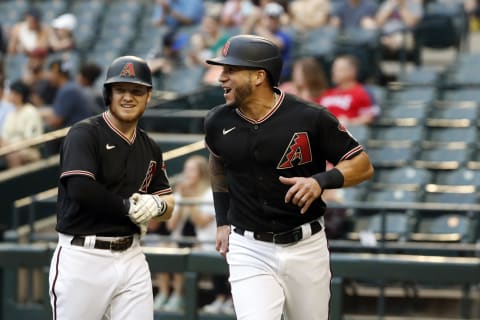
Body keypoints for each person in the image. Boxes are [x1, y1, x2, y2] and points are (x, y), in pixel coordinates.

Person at [204, 34, 374, 320]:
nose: (221, 77)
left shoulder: (310, 117)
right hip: (249, 247)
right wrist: (222, 221)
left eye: (230, 70)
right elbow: (218, 163)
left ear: (259, 76)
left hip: (305, 245)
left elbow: (362, 164)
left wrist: (320, 181)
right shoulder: (217, 121)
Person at [48, 55, 175, 320]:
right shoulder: (85, 133)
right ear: (108, 94)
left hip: (132, 256)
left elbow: (168, 203)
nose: (128, 97)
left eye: (136, 91)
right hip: (83, 256)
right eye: (121, 90)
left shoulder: (150, 146)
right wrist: (129, 208)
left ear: (148, 96)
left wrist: (157, 205)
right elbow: (80, 188)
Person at [317, 54, 380, 126]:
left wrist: (350, 122)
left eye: (339, 69)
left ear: (352, 71)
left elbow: (370, 117)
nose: (334, 72)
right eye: (333, 69)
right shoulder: (327, 93)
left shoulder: (362, 92)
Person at [242, 2, 293, 82]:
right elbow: (242, 40)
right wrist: (252, 20)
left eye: (274, 18)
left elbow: (276, 44)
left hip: (279, 78)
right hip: (260, 76)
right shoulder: (258, 33)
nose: (271, 21)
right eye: (268, 17)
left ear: (279, 20)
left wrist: (258, 27)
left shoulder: (284, 34)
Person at [41, 59, 96, 130]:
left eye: (51, 72)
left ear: (57, 73)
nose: (49, 76)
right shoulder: (69, 87)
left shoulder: (68, 90)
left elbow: (55, 122)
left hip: (76, 136)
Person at [1, 80, 44, 168]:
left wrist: (12, 147)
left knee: (13, 156)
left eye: (12, 93)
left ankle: (16, 182)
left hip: (29, 150)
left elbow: (31, 140)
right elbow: (4, 137)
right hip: (10, 149)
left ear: (19, 95)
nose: (9, 95)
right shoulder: (11, 114)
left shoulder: (30, 111)